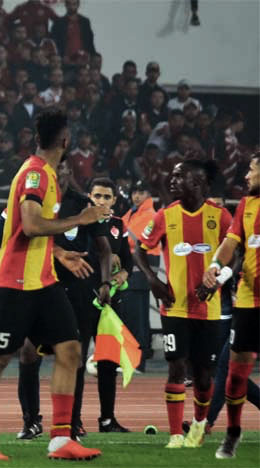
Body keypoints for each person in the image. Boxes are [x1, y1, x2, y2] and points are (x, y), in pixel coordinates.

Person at [0, 109, 110, 461]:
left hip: (43, 282)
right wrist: (82, 219)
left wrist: (59, 253)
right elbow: (31, 226)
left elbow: (30, 231)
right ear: (65, 141)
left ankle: (61, 438)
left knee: (71, 351)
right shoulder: (35, 174)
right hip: (15, 284)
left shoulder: (44, 172)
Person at [134, 160, 232, 449]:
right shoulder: (166, 215)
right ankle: (176, 434)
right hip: (174, 307)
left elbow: (235, 252)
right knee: (176, 367)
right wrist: (153, 279)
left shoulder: (220, 216)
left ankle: (198, 428)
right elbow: (141, 249)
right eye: (172, 176)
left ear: (198, 181)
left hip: (209, 310)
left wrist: (218, 280)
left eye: (179, 176)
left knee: (203, 375)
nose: (172, 181)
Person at [201, 152, 260, 458]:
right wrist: (214, 265)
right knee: (235, 372)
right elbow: (230, 243)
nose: (246, 177)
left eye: (251, 170)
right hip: (249, 304)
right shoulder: (247, 206)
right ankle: (233, 433)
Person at [83, 178, 134, 434]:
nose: (101, 201)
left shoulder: (117, 225)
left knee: (108, 363)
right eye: (97, 196)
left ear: (114, 201)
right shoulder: (80, 221)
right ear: (89, 197)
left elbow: (128, 262)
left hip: (110, 305)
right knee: (77, 361)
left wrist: (122, 274)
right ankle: (72, 420)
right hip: (83, 299)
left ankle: (107, 419)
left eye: (106, 197)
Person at [121, 181, 159, 371]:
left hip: (139, 271)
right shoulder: (133, 213)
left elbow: (129, 239)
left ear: (149, 194)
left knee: (137, 319)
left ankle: (138, 362)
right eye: (134, 191)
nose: (136, 195)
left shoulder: (149, 215)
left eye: (141, 191)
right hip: (133, 271)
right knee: (133, 317)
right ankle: (132, 360)